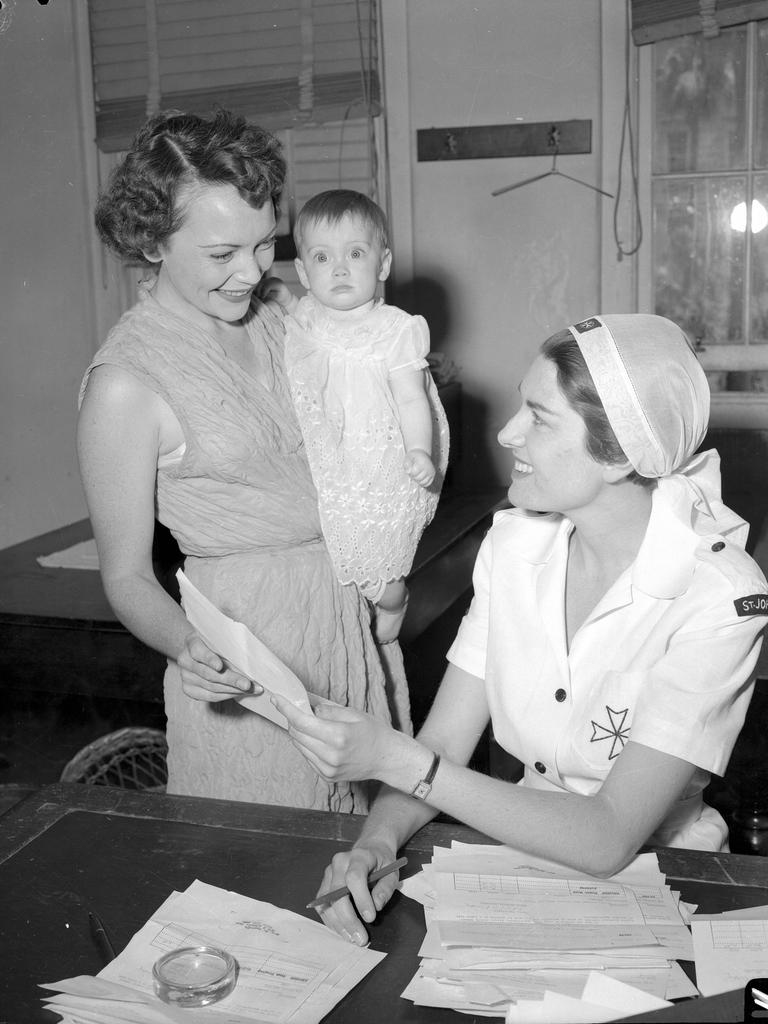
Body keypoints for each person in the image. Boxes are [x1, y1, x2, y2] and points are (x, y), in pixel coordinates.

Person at [273, 313, 768, 942]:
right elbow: (446, 744)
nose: (509, 433)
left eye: (539, 417)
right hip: (518, 866)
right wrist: (376, 842)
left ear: (617, 455)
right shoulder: (511, 547)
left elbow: (608, 835)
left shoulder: (719, 598)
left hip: (667, 881)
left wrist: (400, 761)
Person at [77, 110, 411, 812]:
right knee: (264, 879)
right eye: (223, 253)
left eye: (265, 245)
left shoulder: (281, 309)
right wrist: (188, 646)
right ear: (152, 240)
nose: (252, 271)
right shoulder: (124, 384)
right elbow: (127, 575)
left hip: (348, 623)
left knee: (371, 857)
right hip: (249, 662)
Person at [271, 189, 449, 642]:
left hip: (383, 458)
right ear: (304, 273)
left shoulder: (397, 330)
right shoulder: (306, 314)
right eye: (322, 258)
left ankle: (397, 599)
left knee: (381, 567)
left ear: (383, 264)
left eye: (355, 253)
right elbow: (296, 324)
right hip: (331, 453)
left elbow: (412, 399)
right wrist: (281, 299)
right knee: (335, 549)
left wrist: (419, 450)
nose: (341, 269)